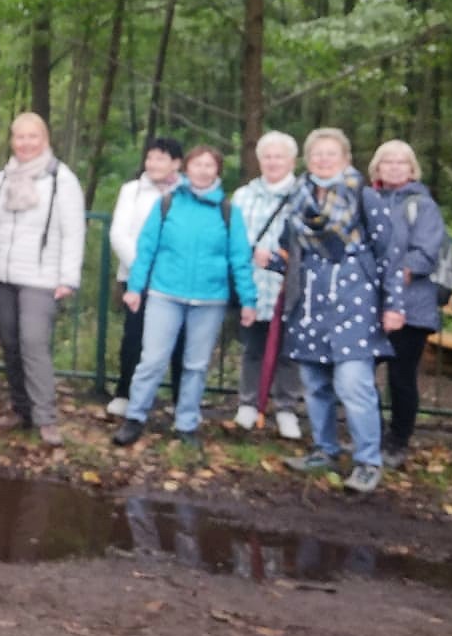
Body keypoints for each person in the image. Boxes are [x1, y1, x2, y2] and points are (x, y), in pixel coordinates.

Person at [265, 128, 405, 495]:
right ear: (307, 159)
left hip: (355, 304)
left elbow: (389, 253)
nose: (323, 160)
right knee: (315, 385)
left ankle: (367, 461)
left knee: (353, 385)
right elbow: (291, 255)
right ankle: (325, 450)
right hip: (310, 305)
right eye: (317, 154)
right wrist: (271, 262)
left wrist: (394, 304)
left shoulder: (364, 196)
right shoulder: (298, 198)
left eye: (331, 154)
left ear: (345, 159)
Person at [112, 145, 258, 447]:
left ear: (217, 171)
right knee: (152, 360)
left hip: (210, 300)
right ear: (186, 169)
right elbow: (147, 249)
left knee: (195, 365)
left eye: (209, 165)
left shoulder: (229, 212)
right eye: (197, 164)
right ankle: (135, 417)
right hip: (165, 294)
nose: (202, 171)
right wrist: (135, 288)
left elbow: (240, 259)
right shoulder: (167, 204)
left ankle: (187, 423)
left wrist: (248, 301)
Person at [0, 112, 85, 447]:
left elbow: (74, 230)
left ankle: (45, 418)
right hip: (3, 274)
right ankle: (20, 409)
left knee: (33, 343)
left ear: (45, 139)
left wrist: (68, 277)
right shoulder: (4, 176)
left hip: (41, 276)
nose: (25, 143)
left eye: (32, 136)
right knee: (10, 343)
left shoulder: (61, 179)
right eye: (20, 137)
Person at [368, 139, 449, 470]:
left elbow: (425, 255)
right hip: (369, 304)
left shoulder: (423, 205)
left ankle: (398, 441)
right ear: (377, 167)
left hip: (411, 306)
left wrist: (389, 277)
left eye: (400, 162)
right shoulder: (368, 200)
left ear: (412, 168)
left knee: (401, 378)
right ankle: (372, 434)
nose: (393, 167)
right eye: (387, 161)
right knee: (359, 373)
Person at [230, 130, 304, 438]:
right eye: (268, 157)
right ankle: (248, 403)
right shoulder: (243, 196)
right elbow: (231, 237)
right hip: (253, 286)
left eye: (279, 157)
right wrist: (251, 252)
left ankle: (286, 408)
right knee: (253, 348)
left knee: (289, 352)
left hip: (290, 287)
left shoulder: (304, 196)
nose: (273, 162)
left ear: (292, 161)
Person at [106, 137, 186, 418]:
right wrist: (142, 269)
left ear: (176, 163)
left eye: (160, 158)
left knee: (180, 339)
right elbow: (119, 233)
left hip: (177, 279)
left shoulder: (187, 192)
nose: (152, 164)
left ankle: (181, 399)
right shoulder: (132, 191)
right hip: (136, 276)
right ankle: (125, 392)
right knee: (134, 335)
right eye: (150, 157)